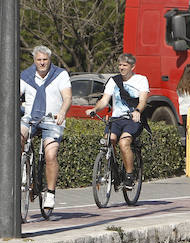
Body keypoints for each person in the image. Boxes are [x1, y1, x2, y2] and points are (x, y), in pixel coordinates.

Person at [87, 53, 149, 190]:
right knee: (109, 140)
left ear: (133, 67)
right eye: (120, 65)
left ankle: (129, 175)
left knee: (124, 142)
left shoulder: (141, 80)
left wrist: (137, 111)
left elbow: (143, 101)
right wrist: (95, 109)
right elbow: (104, 100)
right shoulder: (113, 81)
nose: (121, 68)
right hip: (116, 119)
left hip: (132, 119)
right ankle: (112, 168)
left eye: (125, 65)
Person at [20, 45, 72, 209]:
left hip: (52, 120)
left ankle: (50, 193)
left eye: (45, 60)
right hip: (31, 118)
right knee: (18, 136)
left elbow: (67, 97)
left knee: (50, 155)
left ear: (50, 60)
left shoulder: (60, 75)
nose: (42, 63)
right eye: (39, 60)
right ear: (34, 60)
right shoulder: (26, 75)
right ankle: (24, 169)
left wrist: (62, 112)